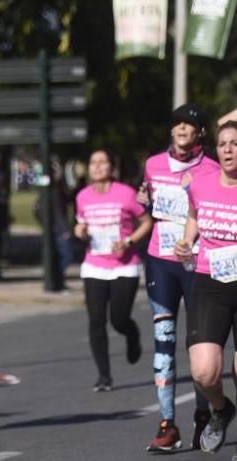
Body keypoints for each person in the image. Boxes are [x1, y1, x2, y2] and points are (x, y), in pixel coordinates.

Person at [139, 104, 218, 452]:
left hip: (197, 264)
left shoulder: (212, 169)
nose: (182, 128)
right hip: (160, 260)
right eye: (177, 123)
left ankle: (203, 414)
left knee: (197, 345)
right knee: (163, 340)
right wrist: (144, 201)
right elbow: (150, 203)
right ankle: (167, 423)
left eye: (190, 124)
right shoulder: (153, 164)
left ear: (200, 133)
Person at [175, 121, 237, 461]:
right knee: (203, 370)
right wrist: (187, 241)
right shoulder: (201, 185)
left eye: (235, 143)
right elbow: (194, 215)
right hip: (210, 279)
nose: (228, 149)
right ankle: (221, 408)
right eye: (223, 143)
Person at [73, 148, 152, 392]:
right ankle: (104, 376)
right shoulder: (83, 196)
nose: (97, 166)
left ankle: (132, 334)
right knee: (96, 321)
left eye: (102, 162)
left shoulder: (126, 194)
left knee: (118, 319)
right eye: (93, 162)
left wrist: (128, 242)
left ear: (111, 167)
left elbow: (147, 222)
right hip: (94, 265)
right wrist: (80, 232)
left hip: (124, 265)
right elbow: (80, 225)